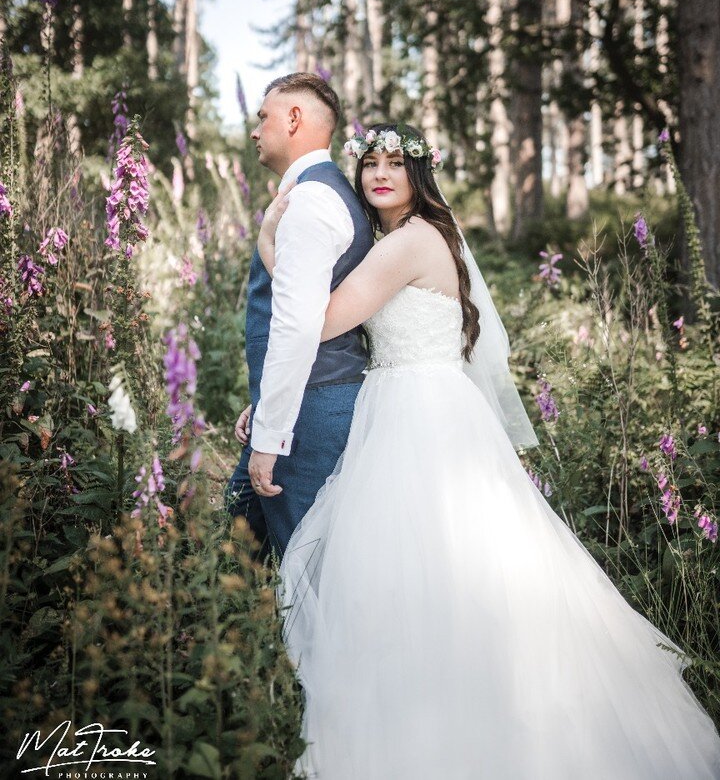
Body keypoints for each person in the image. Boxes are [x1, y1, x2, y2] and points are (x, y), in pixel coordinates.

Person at [256, 123, 720, 779]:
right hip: (428, 404)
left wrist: (272, 244)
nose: (380, 174)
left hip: (415, 414)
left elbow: (323, 317)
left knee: (421, 571)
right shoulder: (414, 238)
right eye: (371, 163)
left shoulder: (410, 241)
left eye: (396, 162)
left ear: (421, 174)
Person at [224, 73, 374, 558]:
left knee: (305, 576)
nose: (255, 130)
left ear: (294, 119)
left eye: (262, 116)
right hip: (297, 406)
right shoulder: (322, 192)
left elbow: (297, 324)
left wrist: (270, 439)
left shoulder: (311, 202)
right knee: (239, 558)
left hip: (308, 416)